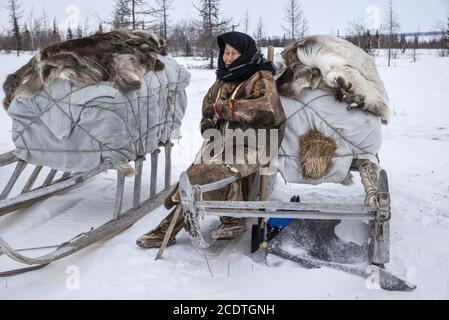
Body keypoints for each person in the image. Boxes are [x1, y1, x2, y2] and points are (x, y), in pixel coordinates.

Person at [136, 31, 286, 248]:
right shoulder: (223, 78)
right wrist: (207, 125)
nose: (228, 57)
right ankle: (221, 220)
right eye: (226, 52)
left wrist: (226, 109)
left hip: (255, 141)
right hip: (223, 140)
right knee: (198, 171)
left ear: (246, 54)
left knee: (209, 172)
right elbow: (208, 107)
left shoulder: (260, 77)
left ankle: (179, 226)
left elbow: (270, 111)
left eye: (234, 53)